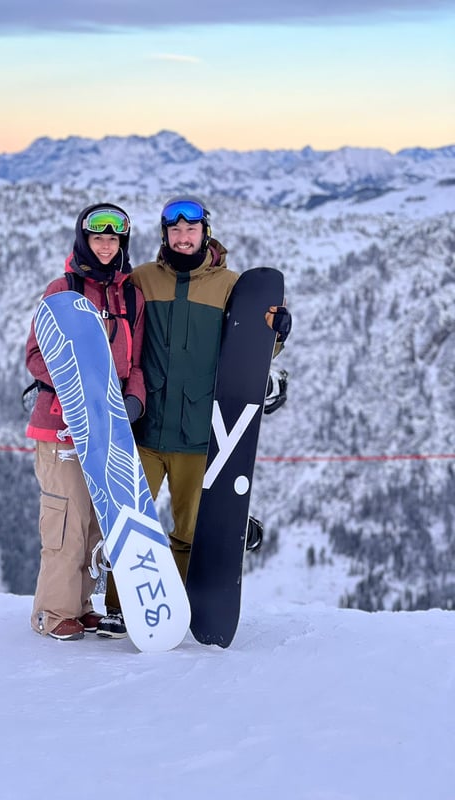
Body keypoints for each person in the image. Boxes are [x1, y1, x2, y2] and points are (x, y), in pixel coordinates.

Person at [100, 195, 291, 636]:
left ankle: (175, 612)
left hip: (200, 433)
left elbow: (250, 350)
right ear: (165, 235)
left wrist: (276, 334)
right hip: (145, 427)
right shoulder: (142, 279)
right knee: (132, 524)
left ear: (205, 233)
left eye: (191, 230)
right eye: (175, 231)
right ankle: (118, 607)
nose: (183, 238)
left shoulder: (230, 285)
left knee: (189, 532)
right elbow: (119, 329)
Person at [25, 203, 146, 641]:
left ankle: (79, 605)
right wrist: (77, 389)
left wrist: (133, 399)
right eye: (98, 238)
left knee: (96, 522)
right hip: (60, 423)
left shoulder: (130, 295)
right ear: (84, 240)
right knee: (66, 521)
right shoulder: (63, 289)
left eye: (114, 240)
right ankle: (53, 613)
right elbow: (36, 357)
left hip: (108, 424)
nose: (106, 246)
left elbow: (137, 361)